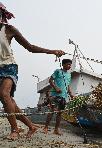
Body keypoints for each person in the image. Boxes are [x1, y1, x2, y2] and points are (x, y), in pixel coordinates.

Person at [0, 2, 65, 140]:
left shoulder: (9, 29)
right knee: (9, 102)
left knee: (4, 94)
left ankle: (15, 129)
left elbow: (29, 47)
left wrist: (52, 51)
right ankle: (31, 126)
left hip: (9, 66)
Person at [43, 59, 74, 135]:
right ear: (63, 64)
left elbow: (68, 85)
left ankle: (56, 130)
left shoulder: (69, 75)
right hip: (55, 95)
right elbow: (50, 80)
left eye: (70, 64)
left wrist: (71, 94)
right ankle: (46, 127)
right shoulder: (58, 71)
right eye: (68, 64)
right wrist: (56, 88)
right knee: (52, 110)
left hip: (63, 96)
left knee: (60, 113)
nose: (69, 66)